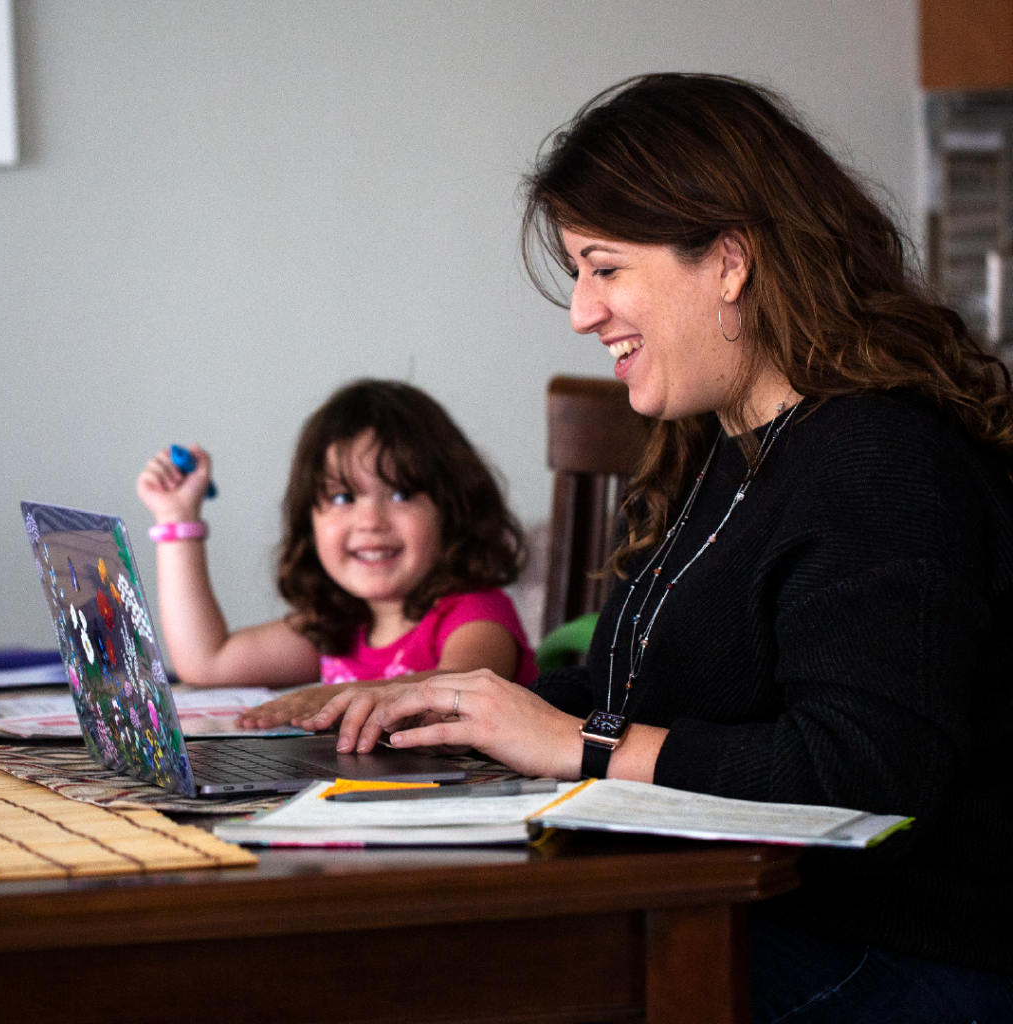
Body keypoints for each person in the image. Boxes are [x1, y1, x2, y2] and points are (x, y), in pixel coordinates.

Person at [289, 76, 1013, 1020]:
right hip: (744, 914)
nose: (583, 312)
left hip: (898, 954)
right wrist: (433, 708)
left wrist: (574, 743)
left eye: (604, 266)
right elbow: (629, 704)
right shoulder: (726, 451)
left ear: (729, 261)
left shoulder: (881, 458)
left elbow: (861, 774)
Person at [137, 379, 537, 727]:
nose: (370, 520)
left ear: (454, 509)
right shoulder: (337, 627)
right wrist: (177, 520)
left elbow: (463, 688)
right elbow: (207, 662)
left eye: (401, 494)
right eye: (344, 496)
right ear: (308, 522)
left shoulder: (479, 612)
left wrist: (334, 696)